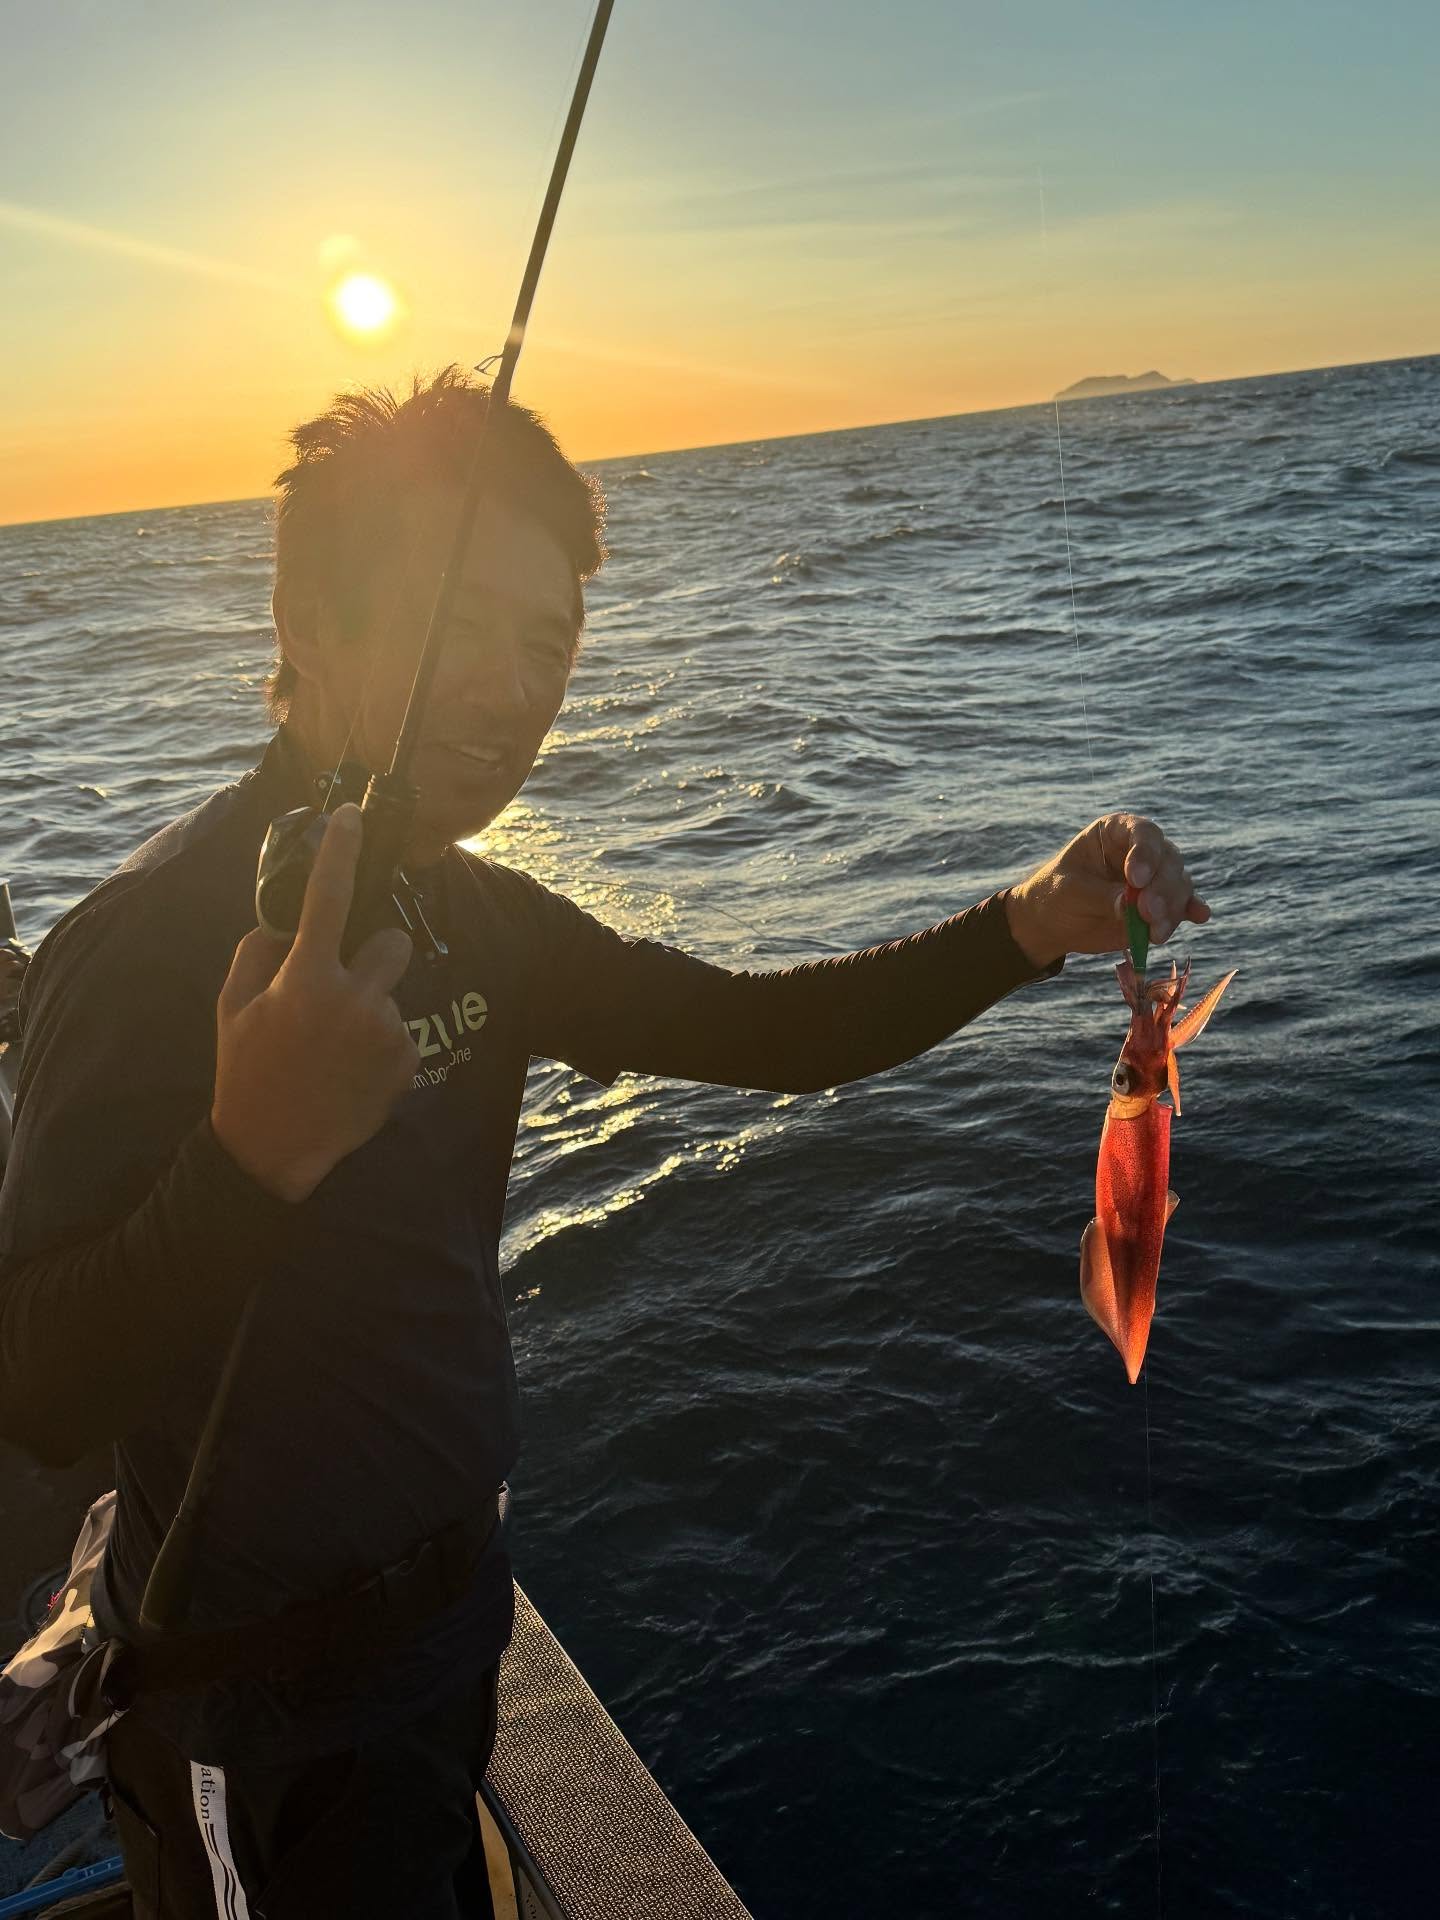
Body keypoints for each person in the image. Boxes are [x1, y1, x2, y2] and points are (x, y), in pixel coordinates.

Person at [0, 368, 1211, 1918]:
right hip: (257, 1723)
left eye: (547, 647)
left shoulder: (474, 910)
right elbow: (35, 1384)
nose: (514, 694)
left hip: (442, 1649)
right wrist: (248, 1156)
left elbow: (766, 1035)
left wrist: (1027, 925)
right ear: (309, 623)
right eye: (462, 631)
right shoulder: (146, 949)